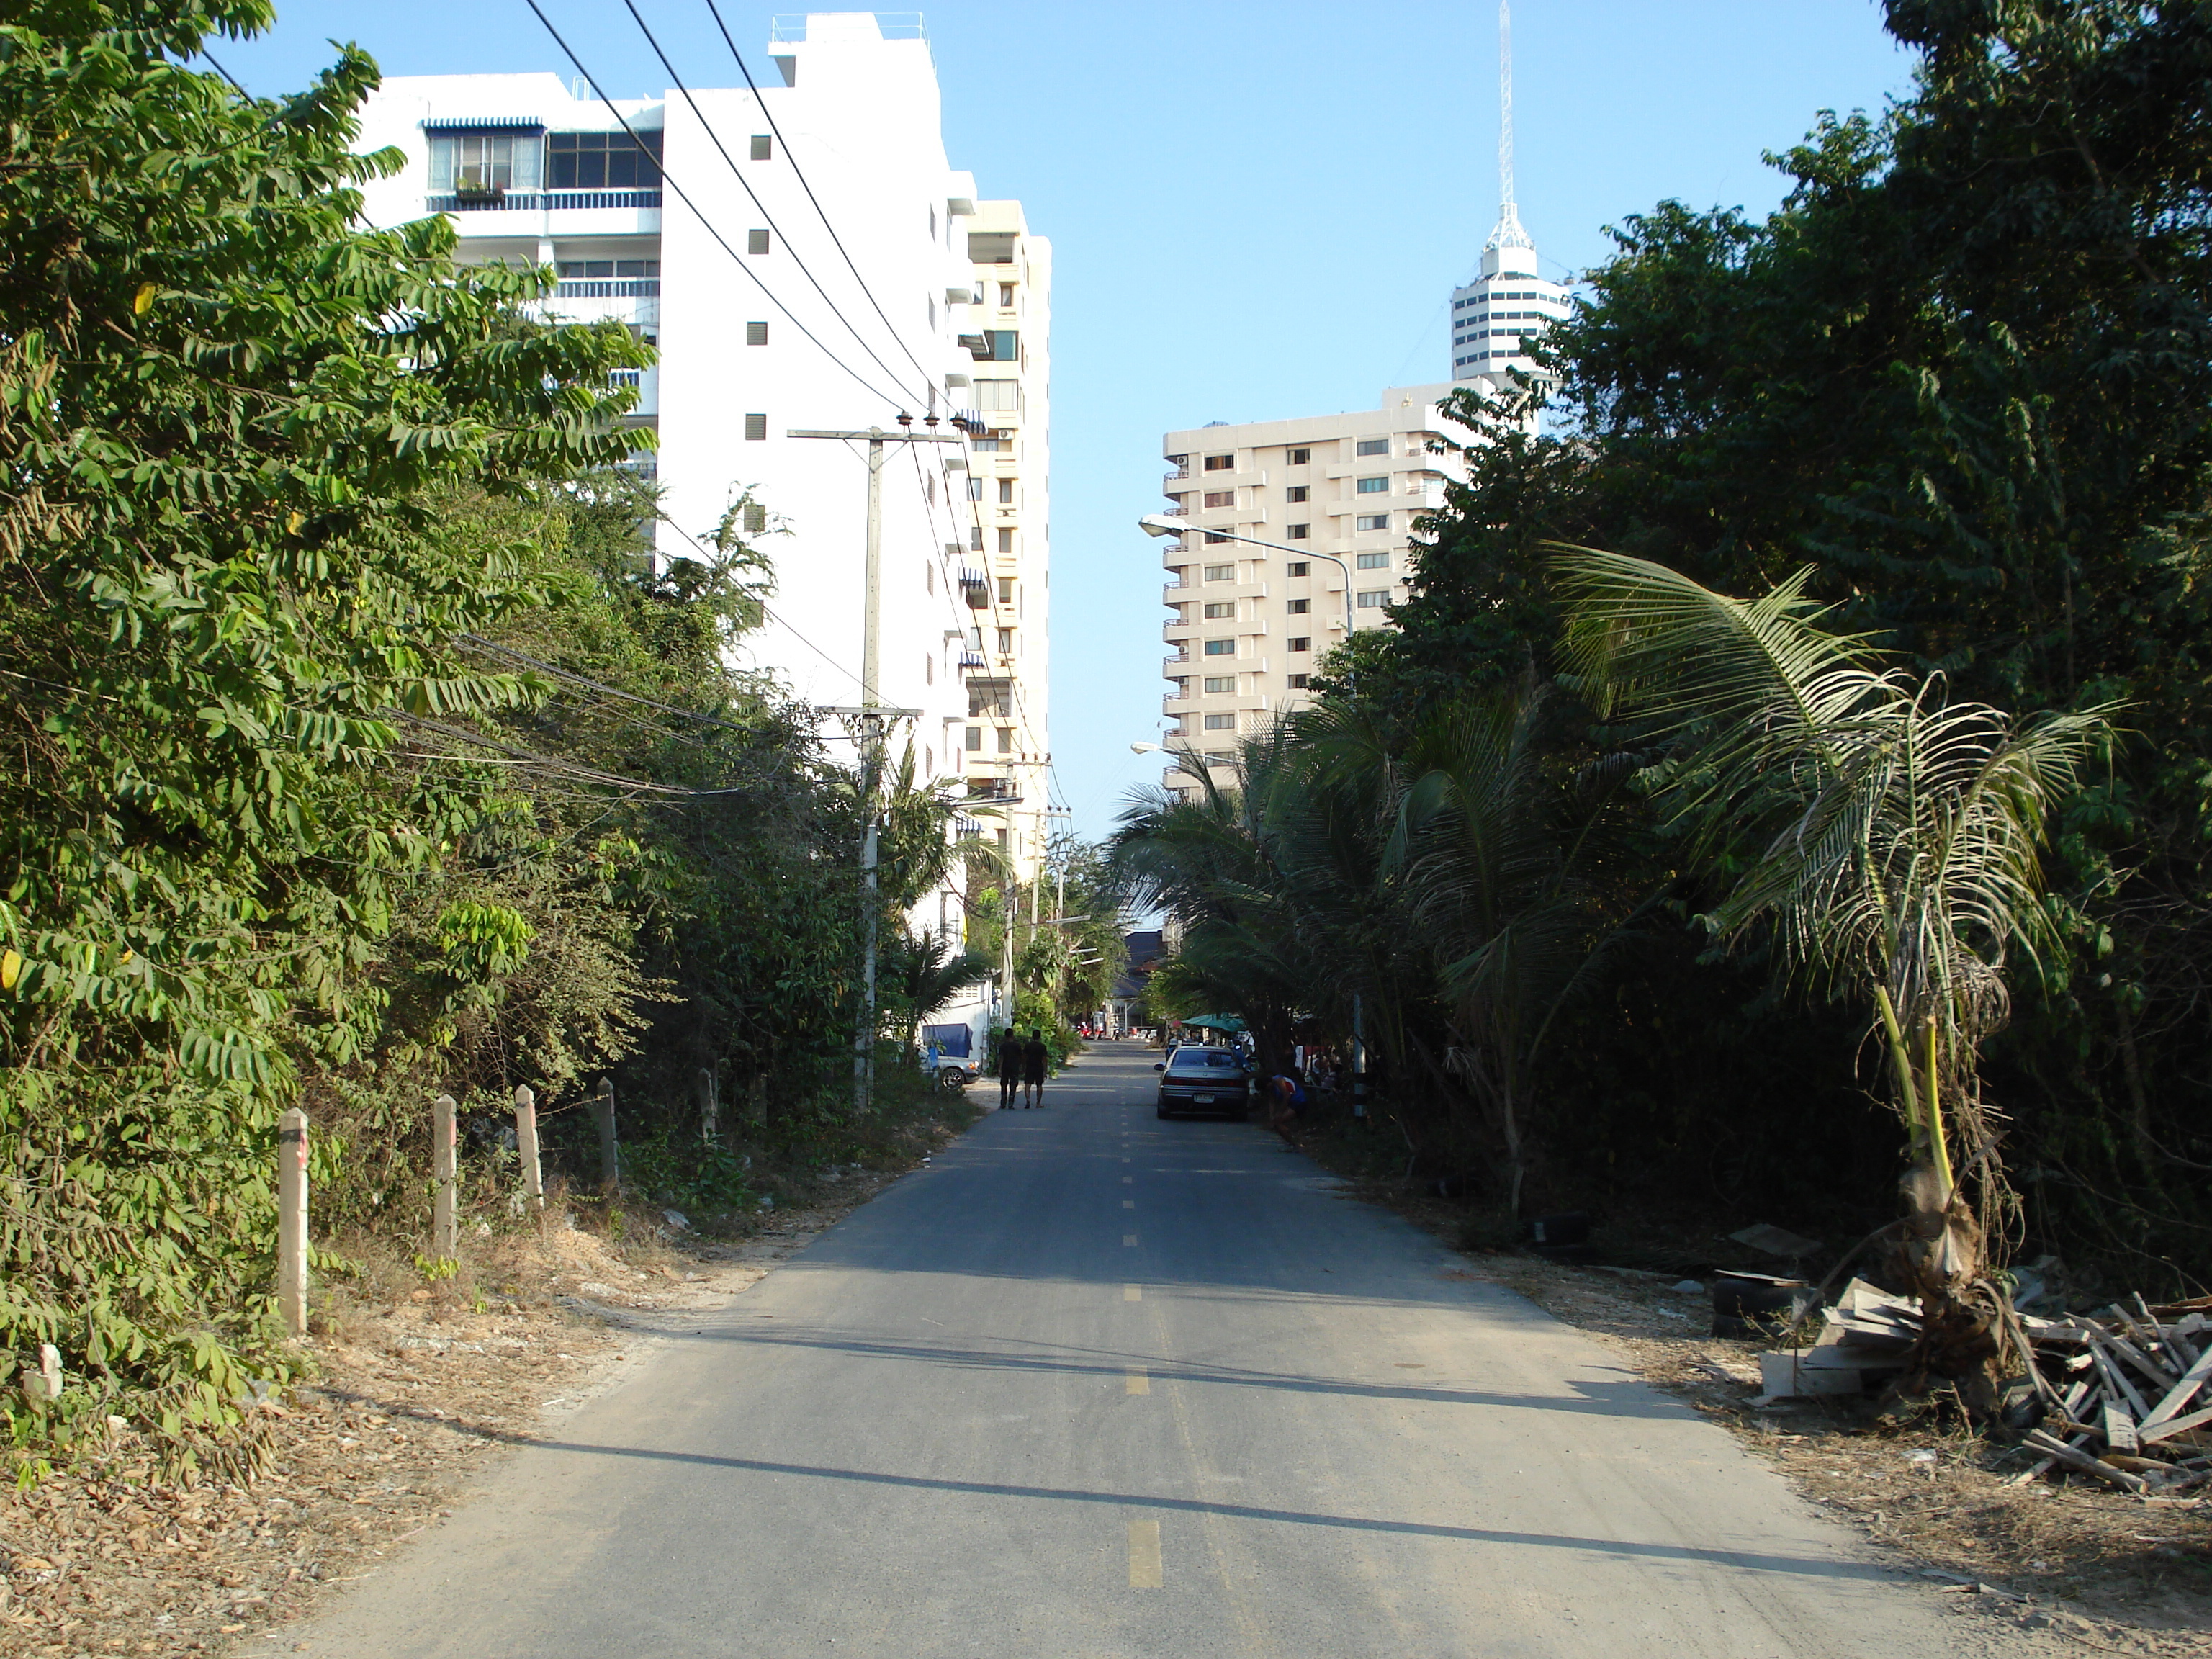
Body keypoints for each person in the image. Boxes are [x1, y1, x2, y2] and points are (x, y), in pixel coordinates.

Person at [1022, 1029, 1050, 1107]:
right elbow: (1044, 1059)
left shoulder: (1028, 1046)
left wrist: (1023, 1066)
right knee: (1039, 1085)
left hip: (1029, 1066)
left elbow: (1024, 1057)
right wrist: (1045, 1070)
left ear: (1032, 1036)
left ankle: (1028, 1100)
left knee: (1028, 1084)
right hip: (1039, 1067)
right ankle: (1038, 1103)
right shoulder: (1042, 1046)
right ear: (1040, 1037)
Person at [994, 1031, 1020, 1110]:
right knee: (1013, 1086)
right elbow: (1020, 1057)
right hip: (1014, 1067)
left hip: (1005, 1067)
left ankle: (1003, 1103)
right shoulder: (1017, 1046)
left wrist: (999, 1069)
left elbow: (1001, 1058)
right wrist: (1021, 1067)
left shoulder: (1003, 1046)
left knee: (1004, 1085)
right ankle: (1011, 1103)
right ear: (1013, 1035)